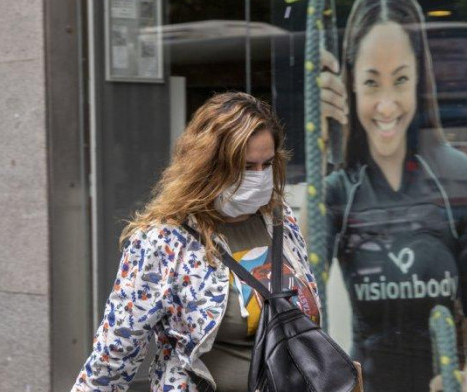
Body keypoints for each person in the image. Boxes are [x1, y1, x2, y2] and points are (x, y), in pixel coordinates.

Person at [316, 0, 467, 391]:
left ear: (420, 77)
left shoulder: (457, 177)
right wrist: (317, 147)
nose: (386, 105)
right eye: (370, 82)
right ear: (349, 84)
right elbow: (293, 314)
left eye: (400, 80)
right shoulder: (338, 190)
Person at [72, 92, 320, 391]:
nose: (259, 177)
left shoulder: (281, 220)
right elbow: (115, 352)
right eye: (245, 166)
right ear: (209, 167)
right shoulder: (164, 241)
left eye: (266, 164)